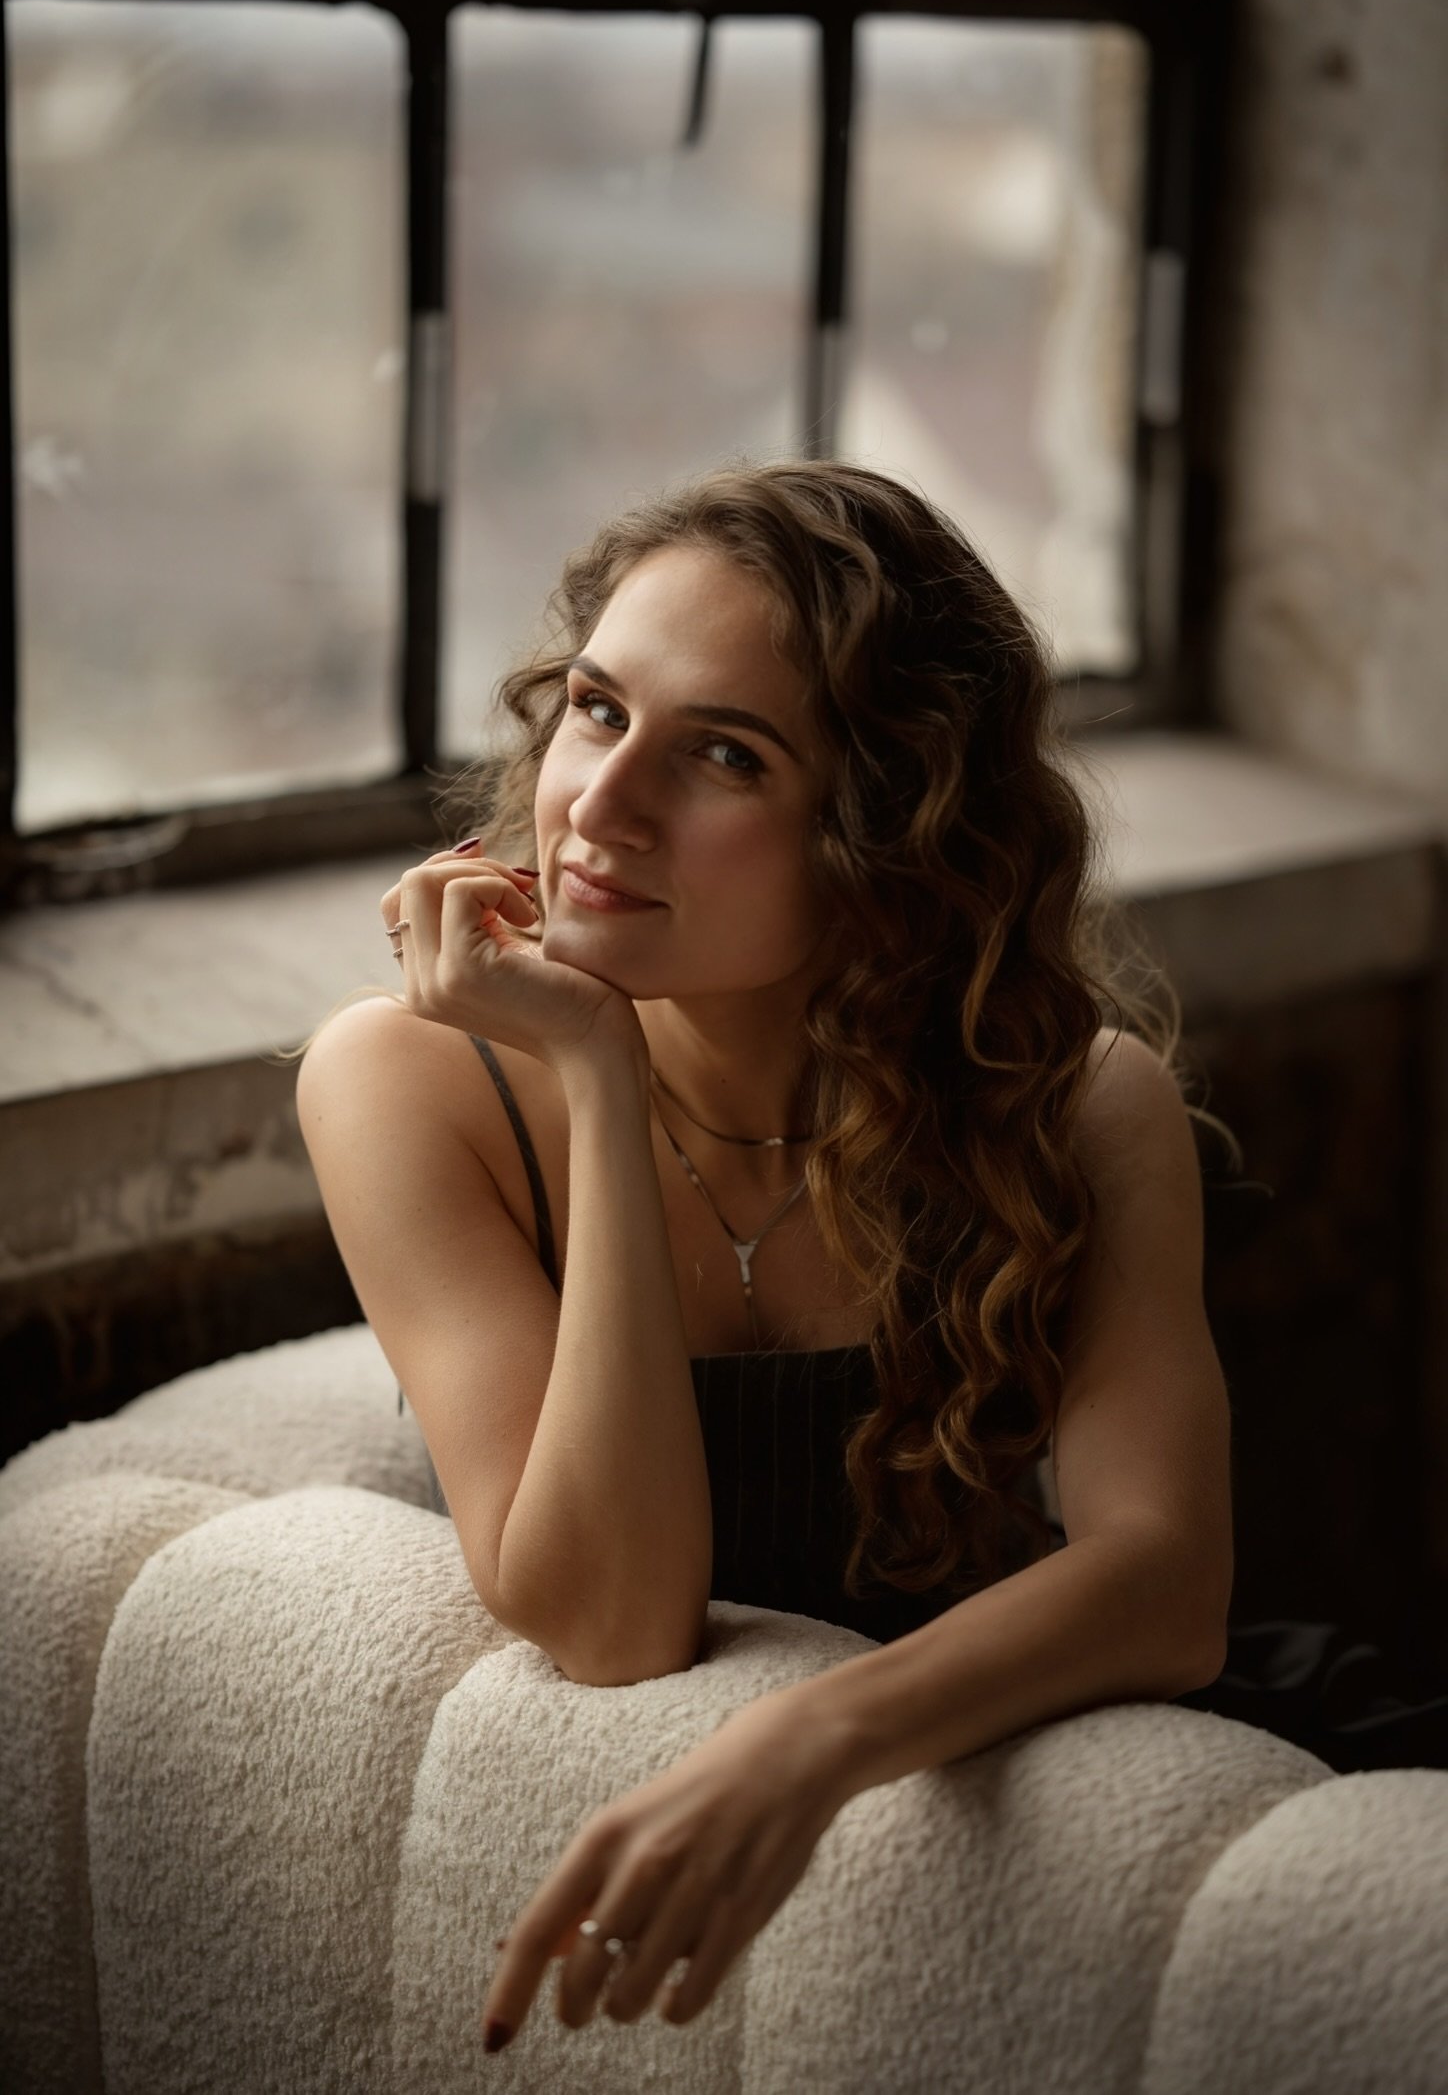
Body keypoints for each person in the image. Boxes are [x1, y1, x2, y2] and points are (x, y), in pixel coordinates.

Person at [289, 458, 1439, 2055]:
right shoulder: (409, 1082)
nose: (600, 809)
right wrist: (600, 1081)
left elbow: (1168, 1590)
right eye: (600, 711)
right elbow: (611, 1621)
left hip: (1141, 1758)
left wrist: (807, 1743)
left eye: (726, 757)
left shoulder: (1083, 1104)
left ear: (882, 833)